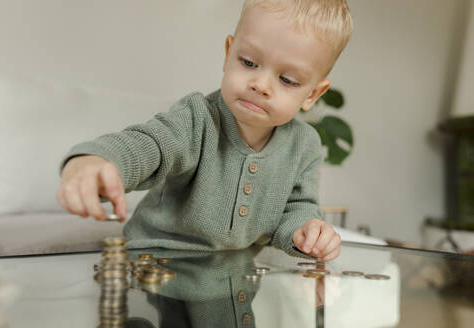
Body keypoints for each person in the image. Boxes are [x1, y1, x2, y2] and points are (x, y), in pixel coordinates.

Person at [57, 0, 353, 262]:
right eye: (248, 62)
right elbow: (149, 145)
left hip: (230, 273)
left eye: (287, 79)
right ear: (228, 53)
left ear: (314, 94)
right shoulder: (196, 118)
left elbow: (298, 207)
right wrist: (97, 160)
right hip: (154, 262)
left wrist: (306, 231)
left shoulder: (305, 145)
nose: (260, 85)